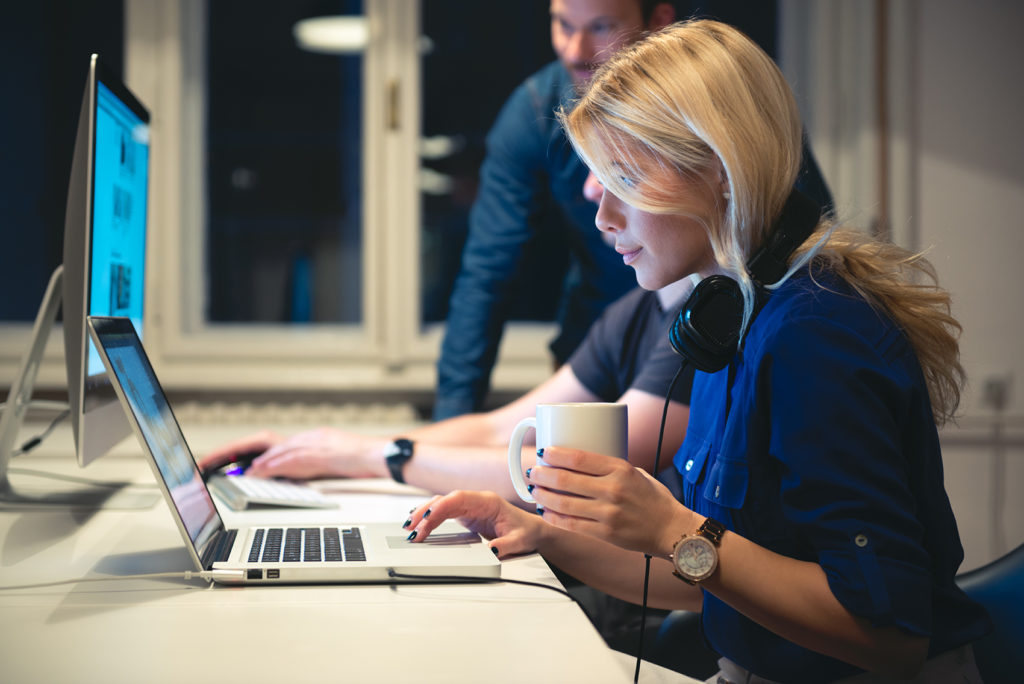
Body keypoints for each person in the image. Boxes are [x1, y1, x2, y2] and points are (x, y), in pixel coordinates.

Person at [404, 19, 991, 683]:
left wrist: (674, 527)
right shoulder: (723, 319)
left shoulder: (813, 336)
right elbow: (705, 576)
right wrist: (536, 531)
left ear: (718, 169)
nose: (603, 218)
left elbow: (891, 637)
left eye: (625, 179)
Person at [433, 0, 832, 420]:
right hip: (606, 339)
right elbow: (487, 274)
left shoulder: (727, 107)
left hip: (715, 326)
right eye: (563, 25)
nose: (575, 51)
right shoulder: (533, 112)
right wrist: (449, 415)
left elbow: (800, 236)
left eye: (601, 27)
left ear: (659, 20)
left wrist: (795, 326)